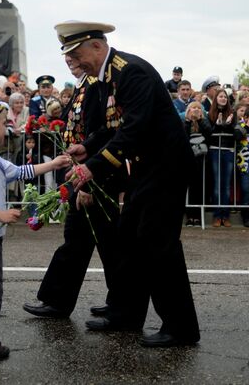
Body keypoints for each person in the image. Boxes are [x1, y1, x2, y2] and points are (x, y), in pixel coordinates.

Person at [59, 20, 200, 347]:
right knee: (130, 240)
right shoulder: (108, 75)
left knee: (159, 245)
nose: (76, 63)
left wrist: (91, 167)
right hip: (145, 169)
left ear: (97, 45)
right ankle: (126, 313)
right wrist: (89, 147)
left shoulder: (130, 72)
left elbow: (134, 130)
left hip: (166, 169)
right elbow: (115, 128)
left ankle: (181, 328)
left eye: (78, 54)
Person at [0, 94, 69, 361]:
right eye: (4, 122)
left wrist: (53, 164)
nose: (8, 127)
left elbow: (20, 172)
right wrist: (2, 215)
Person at [23, 55, 122, 319]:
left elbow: (101, 134)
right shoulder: (83, 85)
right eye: (66, 57)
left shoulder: (93, 87)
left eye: (75, 56)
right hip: (84, 172)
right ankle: (67, 301)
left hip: (94, 176)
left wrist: (90, 182)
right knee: (88, 241)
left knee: (101, 242)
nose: (70, 61)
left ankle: (119, 305)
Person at [207, 88, 238, 227]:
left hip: (229, 150)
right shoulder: (210, 113)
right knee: (217, 185)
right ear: (216, 99)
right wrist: (218, 124)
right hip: (215, 151)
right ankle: (217, 215)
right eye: (220, 96)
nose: (223, 99)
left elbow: (235, 133)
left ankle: (225, 216)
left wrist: (229, 124)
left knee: (226, 185)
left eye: (225, 97)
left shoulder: (232, 113)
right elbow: (209, 132)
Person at [183, 101, 212, 226]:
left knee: (201, 187)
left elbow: (209, 133)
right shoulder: (184, 123)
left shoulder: (205, 122)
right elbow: (182, 136)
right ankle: (189, 215)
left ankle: (198, 216)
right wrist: (189, 121)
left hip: (202, 160)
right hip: (188, 159)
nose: (195, 110)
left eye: (198, 108)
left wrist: (200, 119)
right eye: (192, 108)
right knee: (189, 188)